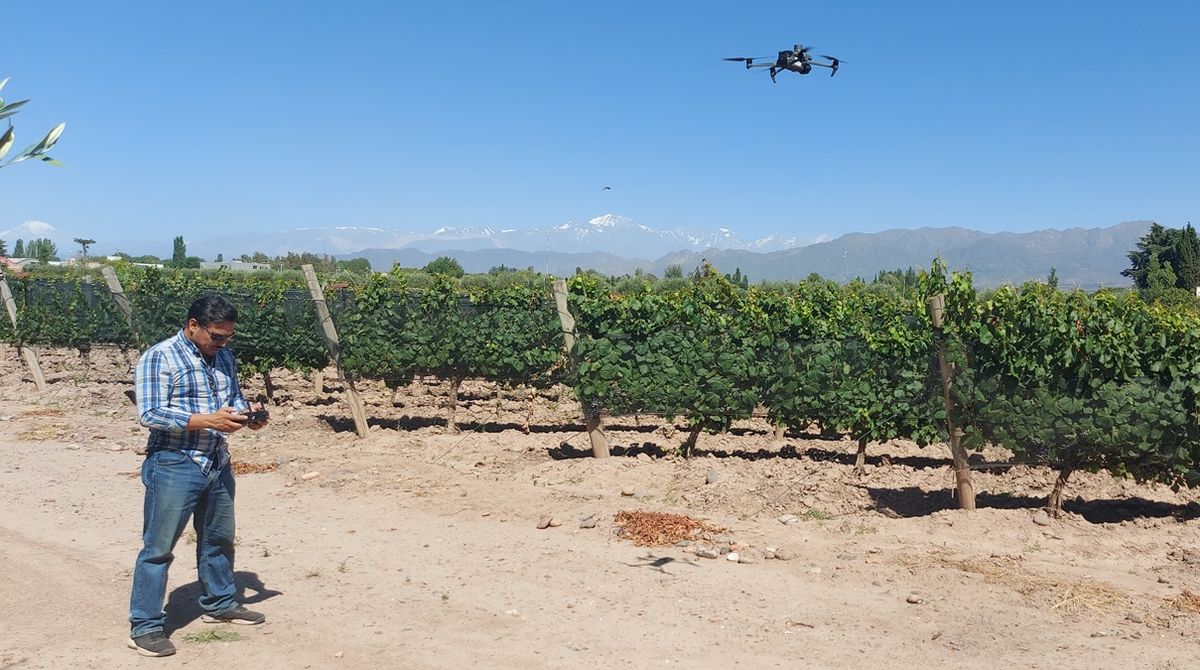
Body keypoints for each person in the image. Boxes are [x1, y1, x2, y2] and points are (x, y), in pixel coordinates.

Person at [127, 293, 269, 657]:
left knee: (219, 539)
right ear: (193, 326)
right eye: (217, 336)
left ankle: (220, 602)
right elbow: (151, 413)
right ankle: (145, 625)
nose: (222, 343)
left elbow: (232, 398)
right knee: (158, 548)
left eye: (228, 337)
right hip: (174, 462)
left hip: (216, 461)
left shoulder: (224, 357)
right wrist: (209, 421)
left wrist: (246, 416)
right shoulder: (160, 357)